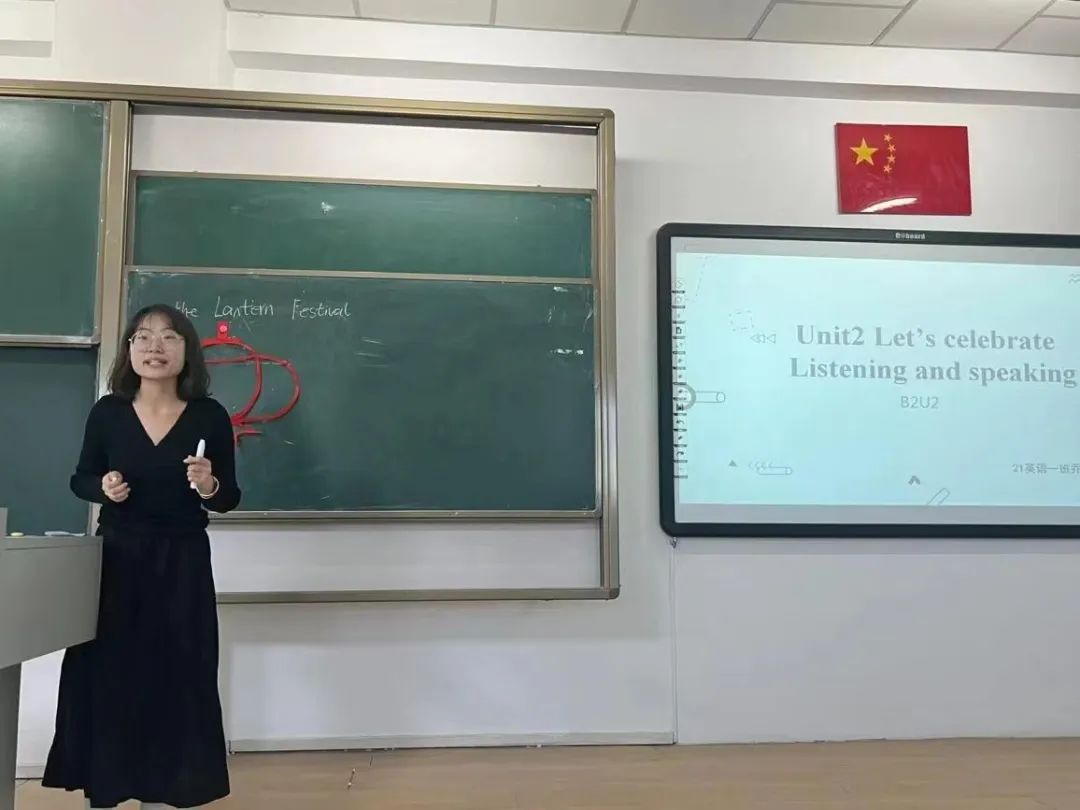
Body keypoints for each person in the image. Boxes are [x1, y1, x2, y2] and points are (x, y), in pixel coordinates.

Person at [41, 303, 241, 809]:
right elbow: (80, 478)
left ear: (187, 351)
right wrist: (103, 487)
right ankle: (108, 787)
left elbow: (229, 497)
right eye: (143, 337)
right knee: (110, 674)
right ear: (129, 349)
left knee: (178, 675)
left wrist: (209, 483)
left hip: (182, 563)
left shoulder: (209, 416)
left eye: (169, 337)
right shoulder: (108, 412)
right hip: (117, 561)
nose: (155, 346)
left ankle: (168, 790)